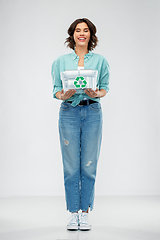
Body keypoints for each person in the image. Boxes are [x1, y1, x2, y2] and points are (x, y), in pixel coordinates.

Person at [51, 18, 110, 231]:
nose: (82, 33)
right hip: (68, 112)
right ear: (72, 35)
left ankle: (85, 212)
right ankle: (73, 212)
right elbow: (56, 90)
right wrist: (63, 95)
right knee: (71, 166)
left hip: (93, 111)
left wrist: (97, 93)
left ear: (91, 35)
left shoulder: (101, 61)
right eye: (78, 30)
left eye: (86, 30)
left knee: (89, 165)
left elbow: (104, 88)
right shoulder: (60, 61)